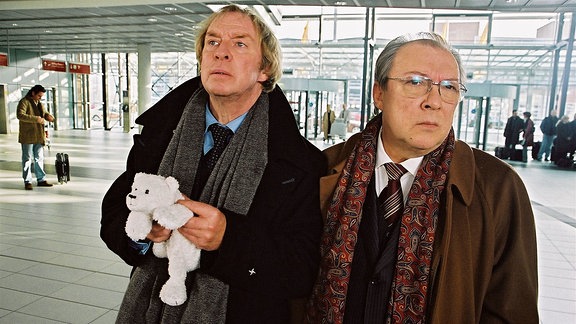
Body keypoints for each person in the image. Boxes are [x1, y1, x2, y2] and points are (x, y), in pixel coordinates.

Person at [101, 5, 325, 323]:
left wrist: (227, 240)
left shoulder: (298, 163)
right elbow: (114, 213)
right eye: (213, 42)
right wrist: (142, 235)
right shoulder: (160, 135)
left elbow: (303, 269)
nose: (221, 53)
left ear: (265, 68)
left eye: (239, 43)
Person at [305, 32, 538, 323]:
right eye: (416, 82)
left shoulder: (497, 188)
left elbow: (511, 311)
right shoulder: (324, 169)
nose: (434, 101)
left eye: (449, 87)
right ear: (379, 93)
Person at [16, 84, 54, 190]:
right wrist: (36, 119)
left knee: (39, 158)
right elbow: (20, 115)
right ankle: (27, 181)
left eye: (41, 96)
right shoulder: (24, 102)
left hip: (38, 135)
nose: (40, 98)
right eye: (39, 96)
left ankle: (41, 179)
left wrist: (49, 117)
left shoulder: (39, 103)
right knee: (27, 159)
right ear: (33, 93)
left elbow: (44, 113)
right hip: (28, 135)